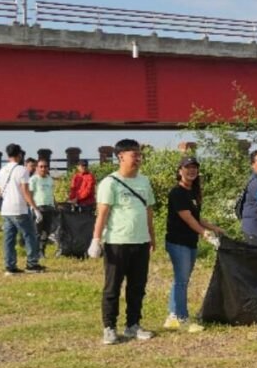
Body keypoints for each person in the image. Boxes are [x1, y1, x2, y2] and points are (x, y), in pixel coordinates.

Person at [88, 139, 156, 345]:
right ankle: (109, 328)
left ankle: (133, 325)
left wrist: (152, 236)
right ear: (120, 157)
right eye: (133, 154)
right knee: (112, 287)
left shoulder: (144, 181)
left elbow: (148, 211)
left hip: (141, 241)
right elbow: (102, 214)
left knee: (137, 286)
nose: (137, 158)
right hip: (117, 242)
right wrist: (96, 239)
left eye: (139, 154)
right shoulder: (109, 182)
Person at [164, 156, 223, 333]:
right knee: (182, 281)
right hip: (178, 242)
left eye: (194, 168)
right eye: (187, 167)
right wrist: (205, 234)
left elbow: (196, 217)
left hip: (190, 242)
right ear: (179, 171)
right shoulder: (177, 192)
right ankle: (182, 318)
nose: (191, 171)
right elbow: (188, 219)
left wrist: (215, 228)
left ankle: (173, 316)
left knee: (181, 280)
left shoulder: (193, 192)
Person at [0, 144, 44, 275]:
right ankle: (32, 264)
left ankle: (10, 266)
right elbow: (25, 191)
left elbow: (0, 191)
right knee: (30, 236)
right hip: (19, 208)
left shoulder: (2, 170)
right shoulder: (22, 170)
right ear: (20, 155)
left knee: (9, 239)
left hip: (6, 209)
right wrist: (35, 208)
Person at [28, 159, 57, 255]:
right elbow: (30, 195)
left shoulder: (50, 179)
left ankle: (42, 250)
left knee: (46, 231)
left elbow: (51, 194)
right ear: (37, 168)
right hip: (38, 208)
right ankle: (34, 251)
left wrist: (55, 205)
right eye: (41, 166)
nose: (43, 169)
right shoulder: (33, 179)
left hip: (49, 207)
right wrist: (34, 209)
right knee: (37, 232)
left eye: (45, 166)